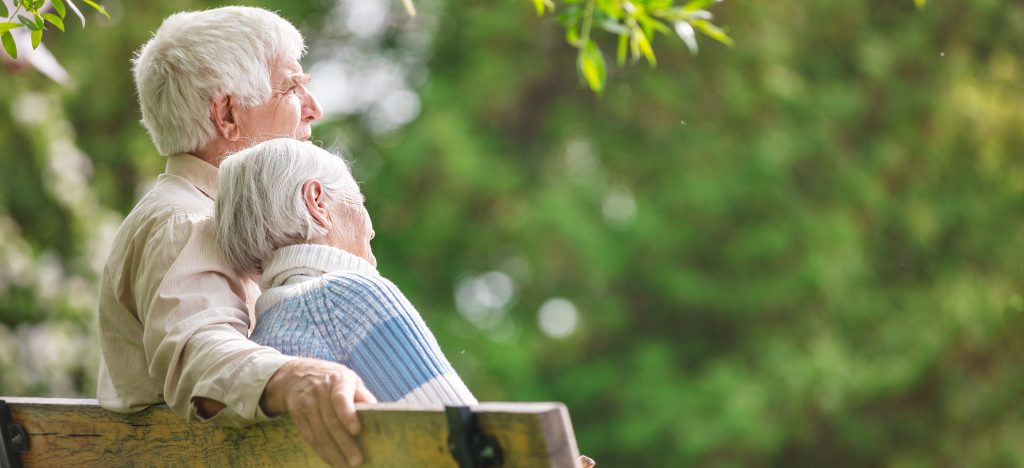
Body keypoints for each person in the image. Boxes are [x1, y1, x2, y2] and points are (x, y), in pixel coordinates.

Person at [95, 7, 372, 467]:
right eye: (292, 87)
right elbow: (199, 354)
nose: (314, 108)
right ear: (227, 115)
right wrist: (296, 377)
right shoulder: (186, 222)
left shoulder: (209, 215)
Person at [215, 138, 478, 406]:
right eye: (359, 200)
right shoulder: (349, 298)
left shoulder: (262, 335)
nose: (372, 229)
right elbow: (466, 432)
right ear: (317, 202)